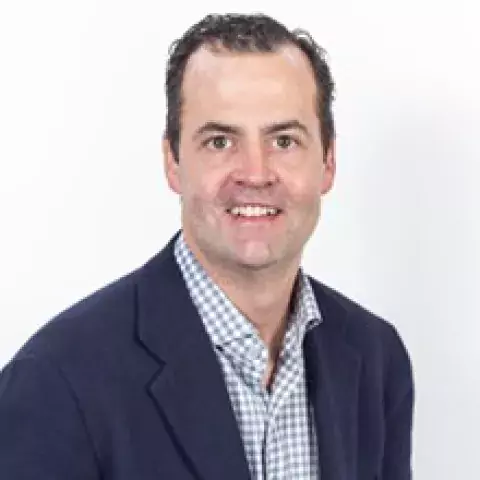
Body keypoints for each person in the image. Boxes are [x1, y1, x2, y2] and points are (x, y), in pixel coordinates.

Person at [0, 13, 414, 480]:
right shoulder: (56, 381)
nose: (255, 173)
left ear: (328, 163)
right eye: (220, 141)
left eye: (284, 139)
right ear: (172, 162)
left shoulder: (376, 359)